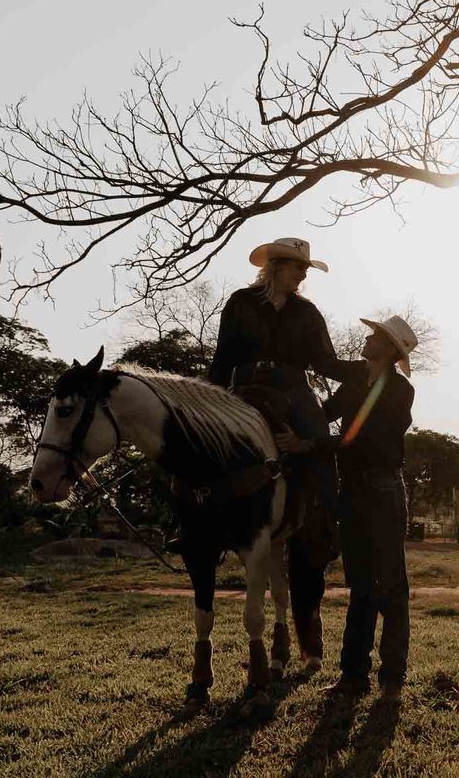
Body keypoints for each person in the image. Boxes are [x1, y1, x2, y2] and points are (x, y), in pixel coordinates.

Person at [193, 235, 346, 671]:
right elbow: (221, 360)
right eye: (298, 268)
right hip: (243, 387)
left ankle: (325, 518)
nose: (302, 276)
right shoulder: (241, 303)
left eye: (304, 270)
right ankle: (190, 524)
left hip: (295, 391)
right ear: (276, 267)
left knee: (318, 443)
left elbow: (328, 365)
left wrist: (369, 372)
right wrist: (210, 399)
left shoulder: (307, 312)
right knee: (204, 445)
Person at [281, 314, 417, 699]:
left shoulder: (400, 391)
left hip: (384, 490)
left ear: (390, 349)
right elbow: (325, 413)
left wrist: (310, 446)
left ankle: (392, 679)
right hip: (353, 492)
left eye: (375, 336)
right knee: (360, 585)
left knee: (391, 586)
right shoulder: (357, 377)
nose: (368, 338)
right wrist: (296, 428)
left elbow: (366, 438)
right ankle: (354, 676)